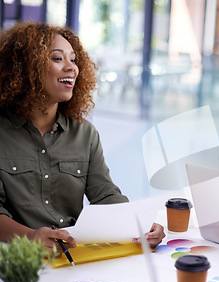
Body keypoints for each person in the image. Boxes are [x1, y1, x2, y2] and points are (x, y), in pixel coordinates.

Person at [0, 22, 165, 251]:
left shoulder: (85, 133)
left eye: (74, 60)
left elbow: (105, 194)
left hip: (71, 256)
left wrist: (140, 224)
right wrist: (31, 236)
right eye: (57, 58)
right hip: (16, 260)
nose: (72, 68)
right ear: (26, 67)